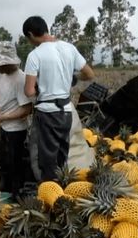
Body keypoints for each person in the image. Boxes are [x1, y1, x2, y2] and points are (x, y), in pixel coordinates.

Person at [22, 15, 95, 181]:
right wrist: (72, 79)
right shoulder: (69, 48)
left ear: (31, 34)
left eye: (28, 38)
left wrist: (37, 88)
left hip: (47, 114)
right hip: (66, 111)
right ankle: (65, 188)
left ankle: (51, 193)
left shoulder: (35, 55)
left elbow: (28, 92)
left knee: (47, 159)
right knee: (63, 155)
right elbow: (89, 74)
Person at [0, 42, 34, 198]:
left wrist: (2, 117)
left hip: (17, 131)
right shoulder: (3, 76)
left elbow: (27, 109)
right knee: (3, 163)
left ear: (7, 62)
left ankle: (16, 196)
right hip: (5, 128)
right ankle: (6, 192)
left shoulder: (21, 79)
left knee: (15, 165)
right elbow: (5, 101)